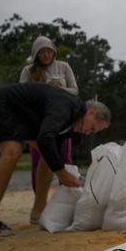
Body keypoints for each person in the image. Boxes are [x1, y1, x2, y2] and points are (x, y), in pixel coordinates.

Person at [0, 83, 111, 236]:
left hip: (24, 116)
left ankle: (38, 211)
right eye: (92, 128)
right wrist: (62, 174)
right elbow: (45, 138)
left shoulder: (73, 124)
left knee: (49, 155)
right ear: (90, 112)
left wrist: (66, 175)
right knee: (12, 152)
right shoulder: (66, 107)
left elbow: (52, 151)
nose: (88, 133)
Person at [20, 36, 78, 191]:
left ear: (54, 52)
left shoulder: (64, 66)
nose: (46, 55)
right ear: (35, 54)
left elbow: (75, 91)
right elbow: (21, 96)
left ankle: (67, 196)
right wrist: (45, 88)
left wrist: (60, 89)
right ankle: (40, 200)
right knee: (39, 160)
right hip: (37, 124)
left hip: (62, 122)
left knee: (65, 159)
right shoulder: (28, 70)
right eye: (41, 52)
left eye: (49, 51)